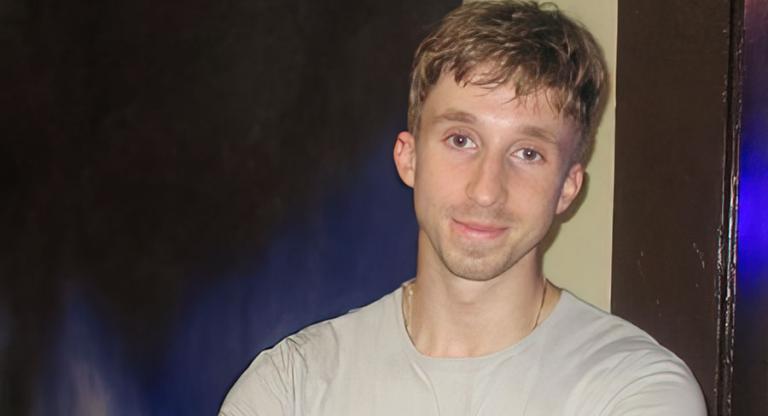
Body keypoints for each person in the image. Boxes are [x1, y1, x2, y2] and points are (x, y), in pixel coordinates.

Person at [219, 1, 707, 415]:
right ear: (408, 158)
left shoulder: (633, 390)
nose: (486, 190)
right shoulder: (292, 388)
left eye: (527, 153)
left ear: (567, 188)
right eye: (460, 139)